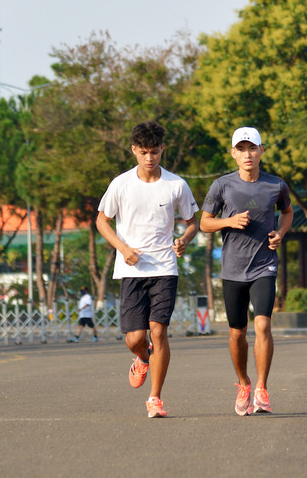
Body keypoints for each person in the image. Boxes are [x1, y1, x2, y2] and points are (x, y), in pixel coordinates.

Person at [96, 121, 199, 418]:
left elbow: (192, 222)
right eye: (143, 152)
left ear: (162, 149)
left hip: (165, 267)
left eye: (154, 152)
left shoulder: (176, 185)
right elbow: (102, 221)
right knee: (135, 338)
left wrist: (183, 241)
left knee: (159, 332)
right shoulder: (121, 184)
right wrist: (123, 248)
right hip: (131, 270)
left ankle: (155, 398)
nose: (149, 158)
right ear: (134, 151)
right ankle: (142, 357)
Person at [200, 127, 293, 416]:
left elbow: (287, 211)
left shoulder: (276, 185)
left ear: (261, 151)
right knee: (237, 333)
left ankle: (262, 388)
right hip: (232, 269)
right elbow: (205, 223)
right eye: (241, 149)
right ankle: (244, 383)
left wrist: (281, 233)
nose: (247, 154)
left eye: (252, 148)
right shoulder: (221, 186)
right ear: (233, 154)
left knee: (263, 325)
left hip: (264, 265)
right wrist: (228, 222)